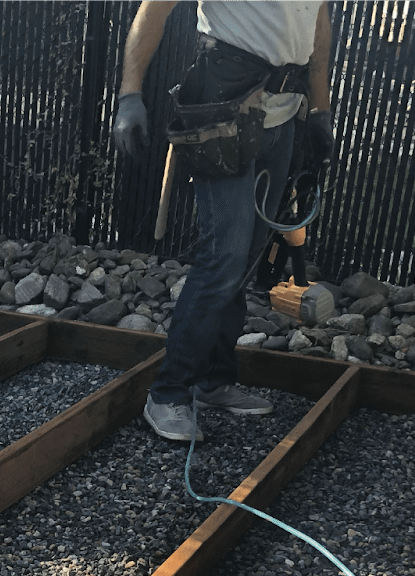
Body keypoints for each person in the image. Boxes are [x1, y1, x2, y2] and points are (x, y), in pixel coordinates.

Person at [113, 1, 335, 442]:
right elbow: (154, 10)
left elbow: (319, 27)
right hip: (225, 107)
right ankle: (169, 394)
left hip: (285, 112)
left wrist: (319, 108)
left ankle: (214, 382)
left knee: (249, 255)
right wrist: (130, 93)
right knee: (225, 255)